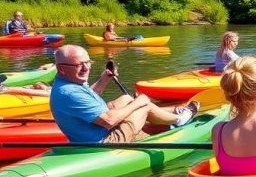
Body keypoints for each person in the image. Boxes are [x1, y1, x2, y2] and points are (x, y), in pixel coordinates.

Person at [49, 45, 198, 143]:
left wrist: (104, 79)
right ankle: (179, 119)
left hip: (95, 132)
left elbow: (88, 96)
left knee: (126, 98)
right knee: (143, 104)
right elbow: (108, 121)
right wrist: (138, 103)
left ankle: (169, 118)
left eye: (88, 62)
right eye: (79, 65)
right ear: (61, 69)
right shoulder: (69, 92)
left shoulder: (69, 82)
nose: (86, 68)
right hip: (105, 141)